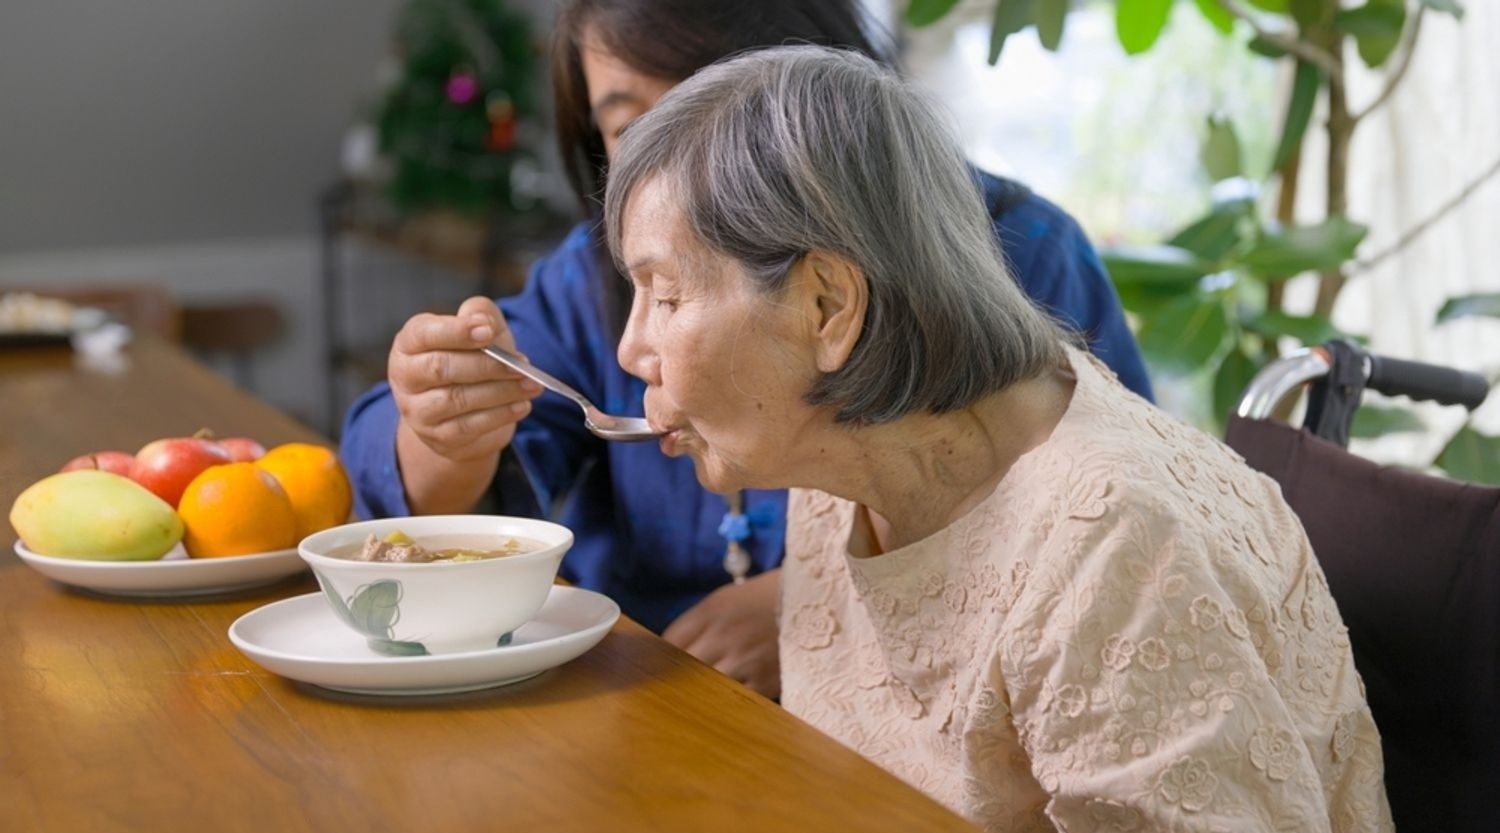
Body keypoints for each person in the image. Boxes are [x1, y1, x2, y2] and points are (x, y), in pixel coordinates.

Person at [602, 45, 1392, 831]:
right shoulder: (841, 453)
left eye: (665, 296)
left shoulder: (1116, 548)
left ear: (826, 307)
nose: (631, 350)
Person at [338, 0, 1151, 700]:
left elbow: (1102, 538)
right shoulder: (590, 284)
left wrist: (825, 601)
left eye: (712, 100)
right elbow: (419, 503)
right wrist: (444, 427)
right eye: (632, 126)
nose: (672, 157)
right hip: (642, 710)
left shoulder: (1022, 255)